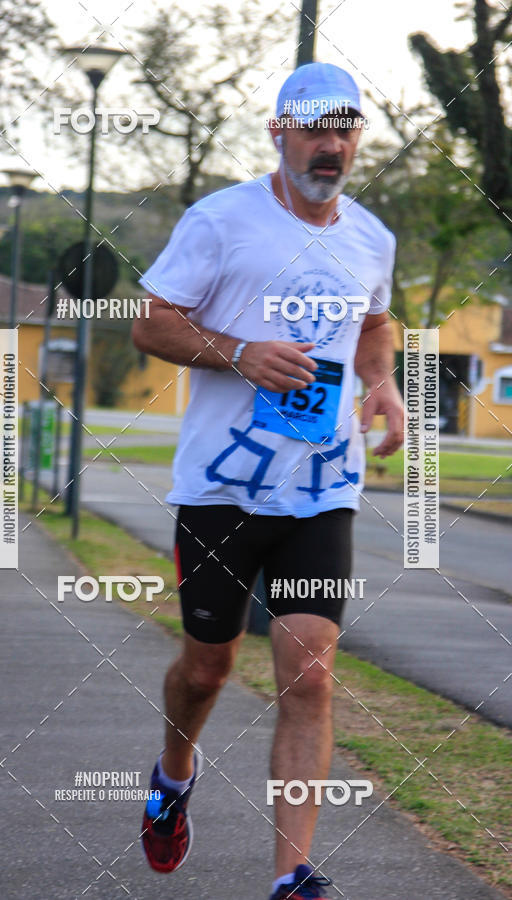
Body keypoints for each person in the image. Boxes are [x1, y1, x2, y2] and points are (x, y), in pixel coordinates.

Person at [132, 62, 404, 899]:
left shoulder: (371, 236)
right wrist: (240, 353)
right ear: (278, 132)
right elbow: (153, 323)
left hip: (322, 486)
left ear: (357, 138)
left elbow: (372, 322)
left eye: (345, 130)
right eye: (314, 129)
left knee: (310, 672)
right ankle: (175, 773)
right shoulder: (220, 223)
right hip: (220, 490)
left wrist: (383, 381)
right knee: (208, 670)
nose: (331, 146)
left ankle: (292, 876)